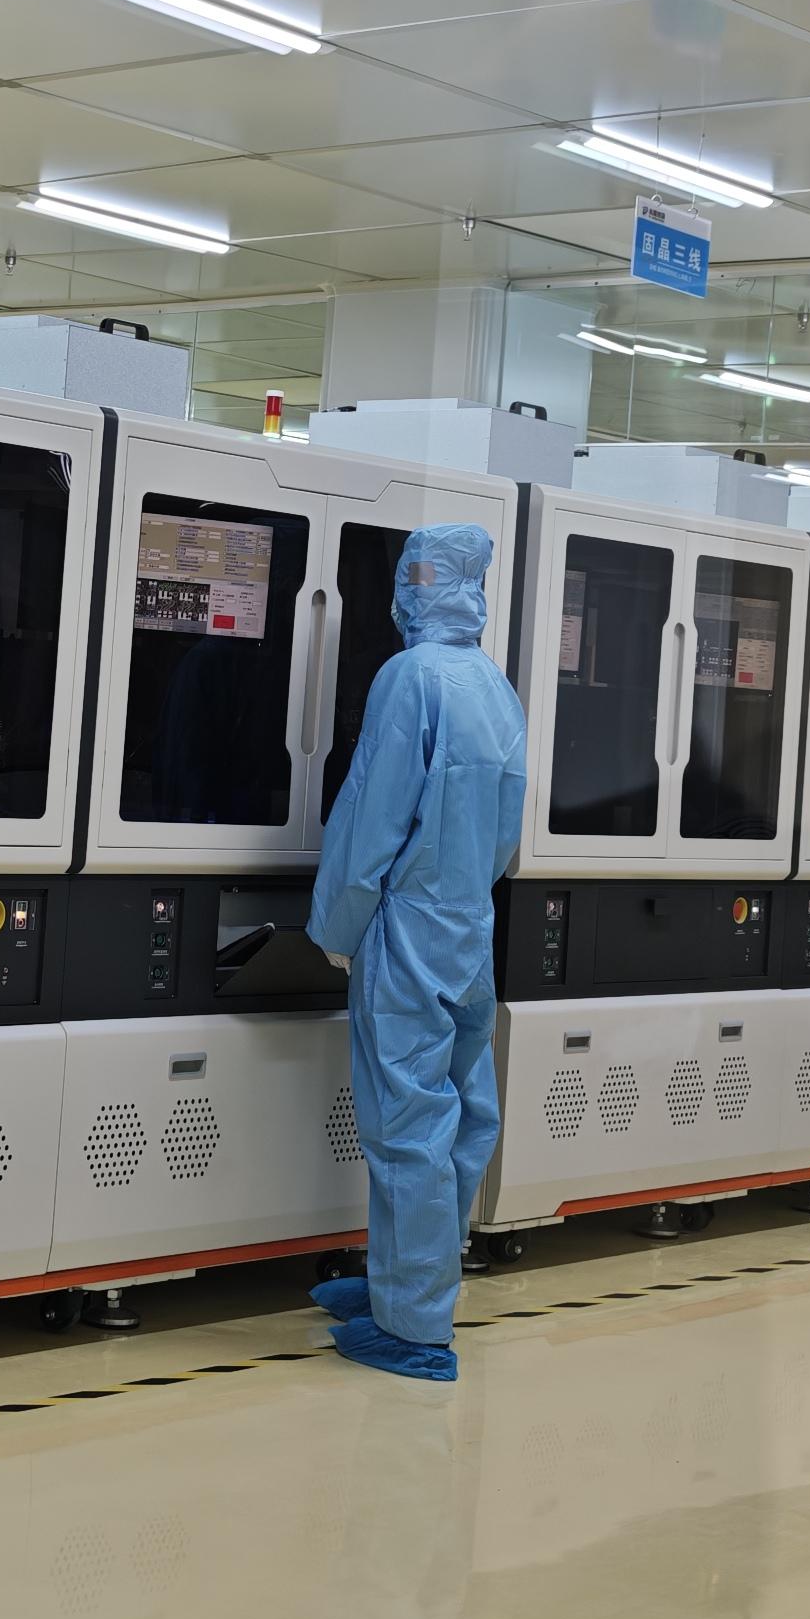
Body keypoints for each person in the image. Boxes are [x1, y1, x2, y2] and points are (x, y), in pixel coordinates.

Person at [303, 522, 526, 1382]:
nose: (409, 585)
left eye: (419, 571)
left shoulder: (411, 676)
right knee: (460, 1117)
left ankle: (413, 1328)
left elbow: (372, 815)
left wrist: (337, 927)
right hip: (467, 927)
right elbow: (504, 833)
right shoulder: (492, 684)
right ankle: (404, 1283)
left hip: (407, 928)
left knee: (406, 1125)